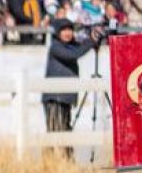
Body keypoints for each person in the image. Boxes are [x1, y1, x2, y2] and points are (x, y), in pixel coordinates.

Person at [42, 18, 105, 158]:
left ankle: (67, 162)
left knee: (65, 130)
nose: (67, 33)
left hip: (65, 97)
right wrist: (91, 41)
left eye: (69, 29)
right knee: (55, 131)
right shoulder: (55, 46)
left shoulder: (70, 45)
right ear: (57, 33)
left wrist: (94, 39)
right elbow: (74, 55)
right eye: (64, 30)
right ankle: (50, 163)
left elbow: (80, 47)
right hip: (55, 97)